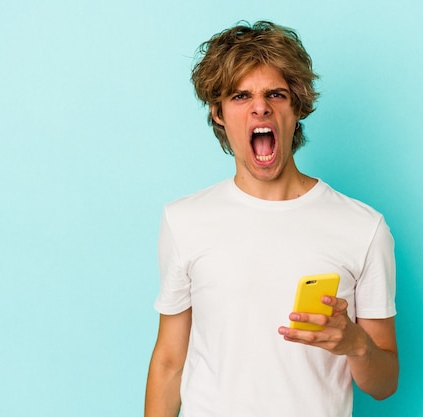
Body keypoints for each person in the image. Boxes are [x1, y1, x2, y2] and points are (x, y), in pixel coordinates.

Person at [145, 21, 399, 417]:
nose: (259, 106)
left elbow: (385, 384)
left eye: (275, 94)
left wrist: (355, 343)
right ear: (218, 114)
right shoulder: (184, 220)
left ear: (297, 108)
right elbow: (168, 361)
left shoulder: (363, 228)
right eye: (241, 95)